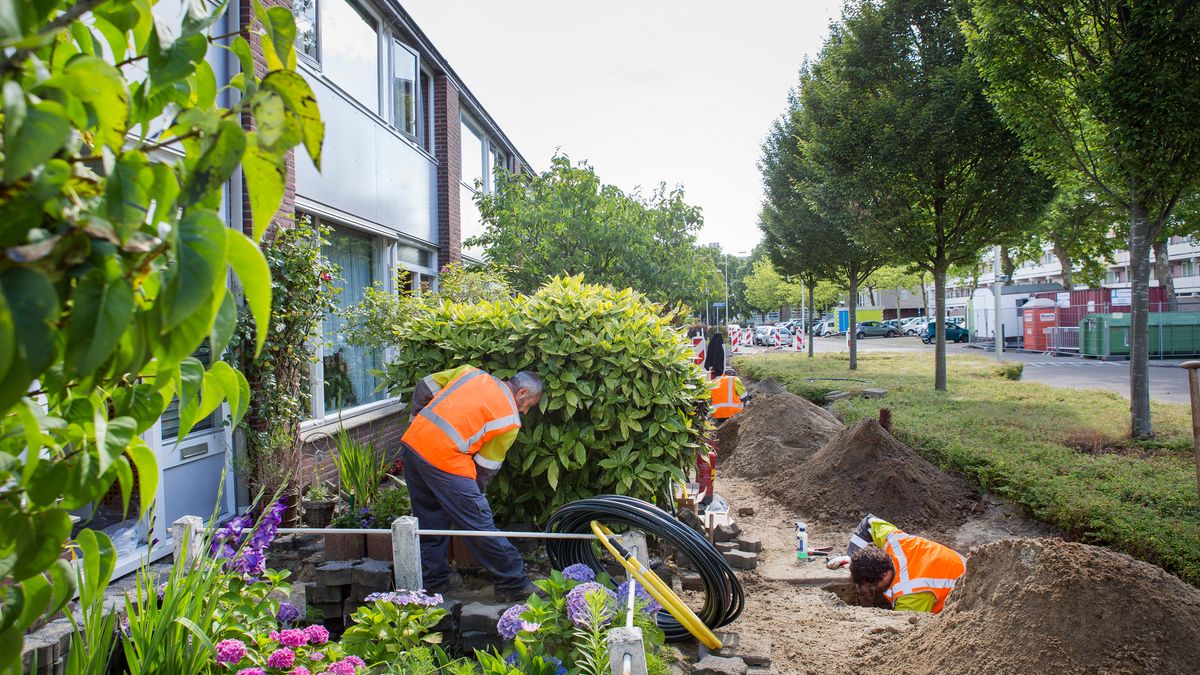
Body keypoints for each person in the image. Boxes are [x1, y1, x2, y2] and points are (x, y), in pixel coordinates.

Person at [401, 366, 544, 601]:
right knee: (479, 525)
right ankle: (513, 582)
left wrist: (416, 421)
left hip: (413, 446)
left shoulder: (471, 373)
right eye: (529, 405)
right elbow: (485, 468)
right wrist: (474, 502)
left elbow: (423, 386)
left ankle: (435, 582)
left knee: (429, 519)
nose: (526, 411)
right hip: (445, 460)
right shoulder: (509, 419)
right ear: (522, 393)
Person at [841, 514, 966, 614]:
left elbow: (906, 630)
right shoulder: (895, 542)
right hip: (960, 564)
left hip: (968, 597)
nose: (868, 590)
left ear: (884, 575)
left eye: (871, 586)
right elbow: (868, 522)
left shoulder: (911, 593)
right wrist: (850, 556)